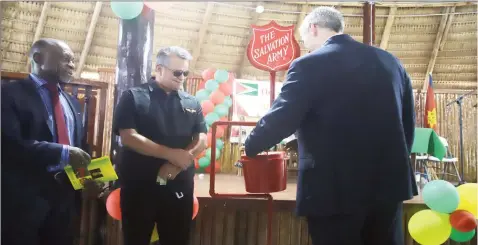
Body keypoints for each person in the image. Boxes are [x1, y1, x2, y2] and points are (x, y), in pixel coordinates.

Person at [244, 7, 417, 245]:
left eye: (304, 37)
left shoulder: (308, 65)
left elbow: (283, 117)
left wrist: (252, 144)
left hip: (334, 188)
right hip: (388, 185)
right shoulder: (390, 62)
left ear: (313, 28)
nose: (305, 44)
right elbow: (407, 122)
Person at [1, 38, 98, 245]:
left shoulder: (72, 103)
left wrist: (85, 180)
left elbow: (77, 148)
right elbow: (7, 145)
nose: (72, 65)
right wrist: (61, 152)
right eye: (65, 59)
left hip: (65, 198)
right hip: (23, 199)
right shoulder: (8, 94)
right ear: (38, 58)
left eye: (73, 60)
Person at [113, 46, 207, 245]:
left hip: (179, 186)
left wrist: (176, 164)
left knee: (178, 239)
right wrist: (170, 154)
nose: (182, 77)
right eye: (177, 72)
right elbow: (129, 137)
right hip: (140, 187)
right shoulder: (133, 97)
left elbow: (202, 139)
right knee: (136, 239)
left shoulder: (192, 102)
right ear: (159, 69)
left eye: (185, 73)